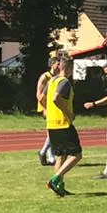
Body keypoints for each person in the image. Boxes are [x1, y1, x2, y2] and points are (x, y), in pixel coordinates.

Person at [43, 55, 82, 197]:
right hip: (63, 124)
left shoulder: (52, 81)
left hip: (51, 124)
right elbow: (55, 98)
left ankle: (59, 186)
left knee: (60, 156)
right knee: (76, 155)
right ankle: (55, 179)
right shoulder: (64, 82)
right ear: (70, 68)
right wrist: (68, 113)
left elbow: (42, 97)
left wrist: (46, 110)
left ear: (60, 66)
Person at [35, 57, 58, 166]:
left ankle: (50, 156)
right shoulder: (45, 77)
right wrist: (45, 108)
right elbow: (39, 94)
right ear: (52, 64)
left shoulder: (58, 77)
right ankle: (44, 152)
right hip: (47, 107)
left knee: (52, 131)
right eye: (58, 63)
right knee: (52, 132)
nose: (60, 66)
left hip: (55, 107)